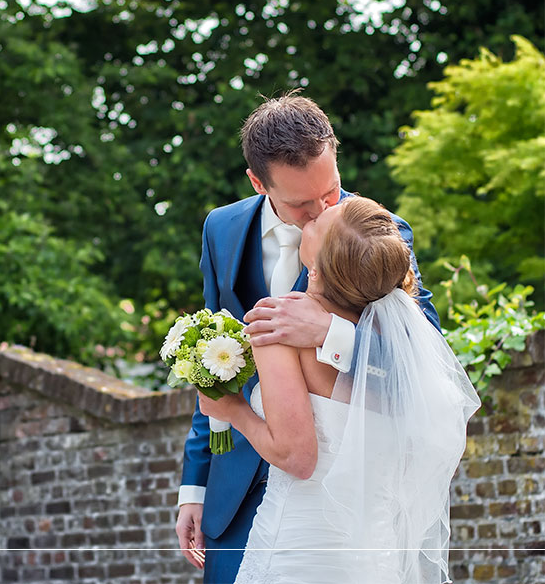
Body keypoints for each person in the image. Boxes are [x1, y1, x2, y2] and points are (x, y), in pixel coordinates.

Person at [174, 93, 441, 584]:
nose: (323, 210)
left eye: (332, 190)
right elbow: (211, 360)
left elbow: (421, 361)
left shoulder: (376, 233)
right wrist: (196, 484)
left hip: (335, 501)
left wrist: (331, 333)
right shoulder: (222, 228)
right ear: (259, 182)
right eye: (302, 203)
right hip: (234, 490)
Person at [198, 196, 479, 583]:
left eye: (318, 223)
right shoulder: (399, 347)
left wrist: (232, 412)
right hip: (372, 557)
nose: (311, 217)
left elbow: (298, 457)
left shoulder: (278, 327)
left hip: (297, 549)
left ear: (320, 268)